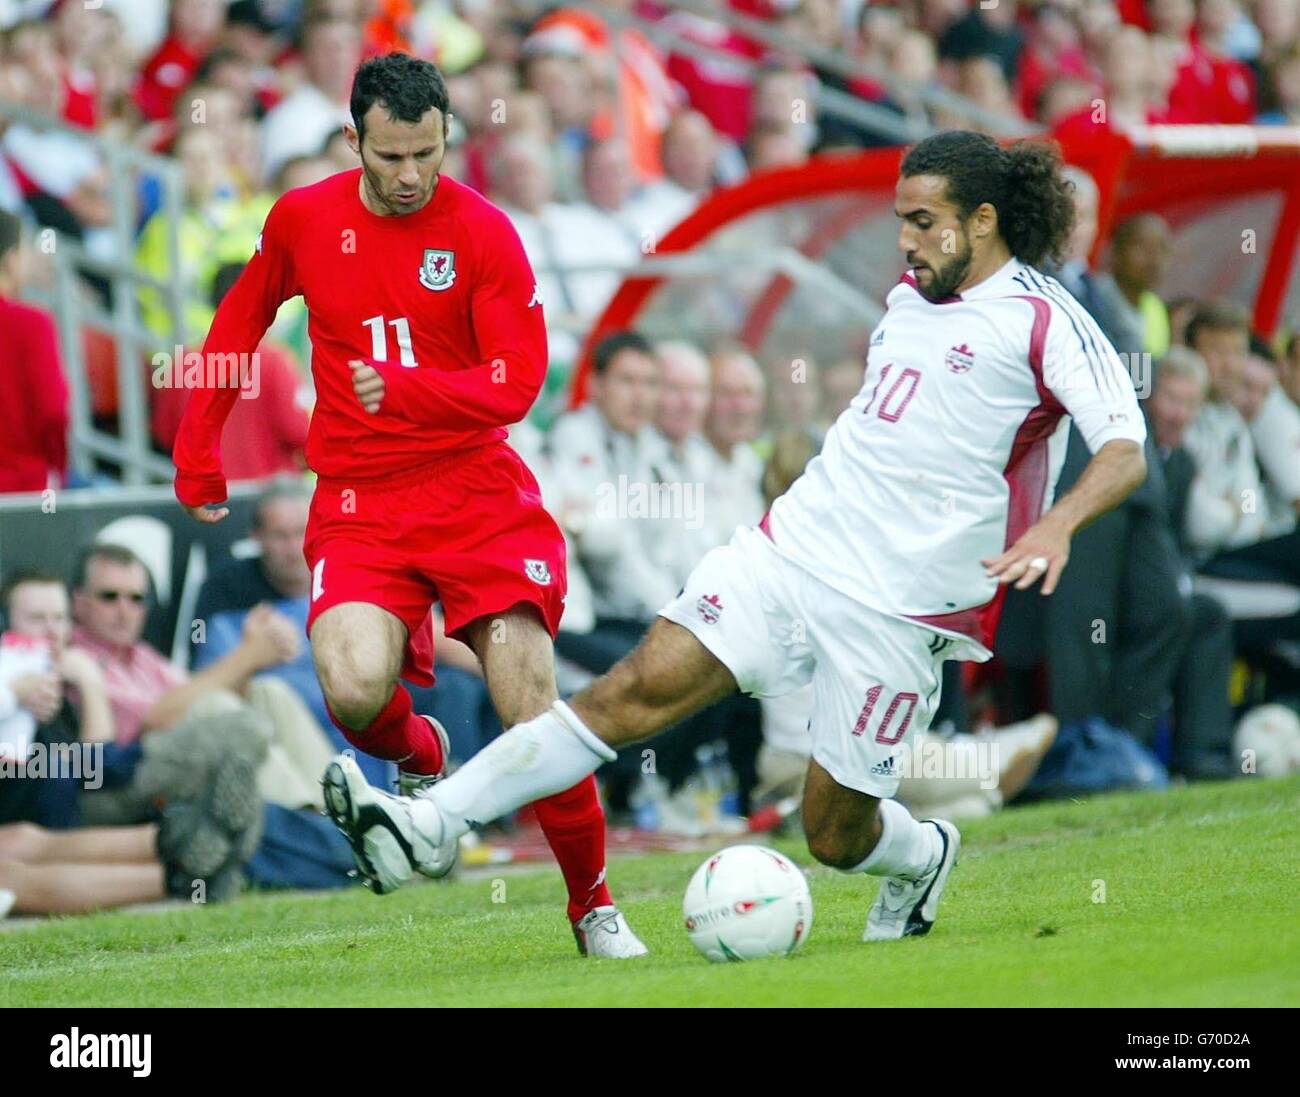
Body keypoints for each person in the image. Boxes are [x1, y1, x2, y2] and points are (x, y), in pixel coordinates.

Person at [325, 131, 1149, 943]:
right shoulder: (908, 301)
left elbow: (1123, 445)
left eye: (923, 221)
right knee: (630, 689)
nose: (905, 241)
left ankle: (924, 852)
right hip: (792, 549)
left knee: (834, 833)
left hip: (905, 607)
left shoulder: (1044, 318)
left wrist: (1058, 521)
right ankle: (430, 821)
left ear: (982, 220)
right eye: (900, 219)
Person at [171, 53, 644, 959]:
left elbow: (517, 384)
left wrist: (405, 389)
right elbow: (240, 321)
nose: (410, 175)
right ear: (355, 141)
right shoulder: (304, 219)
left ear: (446, 140)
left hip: (476, 491)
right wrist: (199, 448)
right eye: (390, 156)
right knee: (349, 688)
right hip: (359, 500)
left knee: (530, 709)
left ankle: (593, 906)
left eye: (427, 153)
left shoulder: (485, 231)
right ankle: (424, 761)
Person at [0, 209, 68, 494]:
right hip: (26, 486)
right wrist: (57, 469)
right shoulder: (33, 324)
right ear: (11, 258)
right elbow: (52, 410)